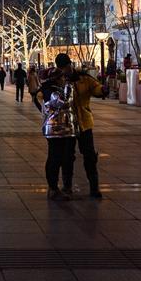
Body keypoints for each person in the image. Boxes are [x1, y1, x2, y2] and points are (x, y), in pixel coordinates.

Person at [50, 53, 106, 199]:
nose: (64, 70)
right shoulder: (58, 80)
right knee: (67, 157)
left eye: (66, 67)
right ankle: (67, 186)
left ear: (70, 65)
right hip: (67, 126)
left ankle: (94, 187)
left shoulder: (83, 78)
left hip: (84, 123)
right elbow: (47, 95)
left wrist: (102, 90)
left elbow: (96, 88)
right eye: (61, 68)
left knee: (89, 155)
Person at [34, 67, 76, 200]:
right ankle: (53, 188)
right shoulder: (49, 91)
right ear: (55, 79)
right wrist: (69, 86)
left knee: (61, 157)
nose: (64, 79)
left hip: (62, 129)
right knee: (55, 158)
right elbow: (64, 102)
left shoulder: (52, 89)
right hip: (54, 129)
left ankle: (58, 187)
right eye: (62, 77)